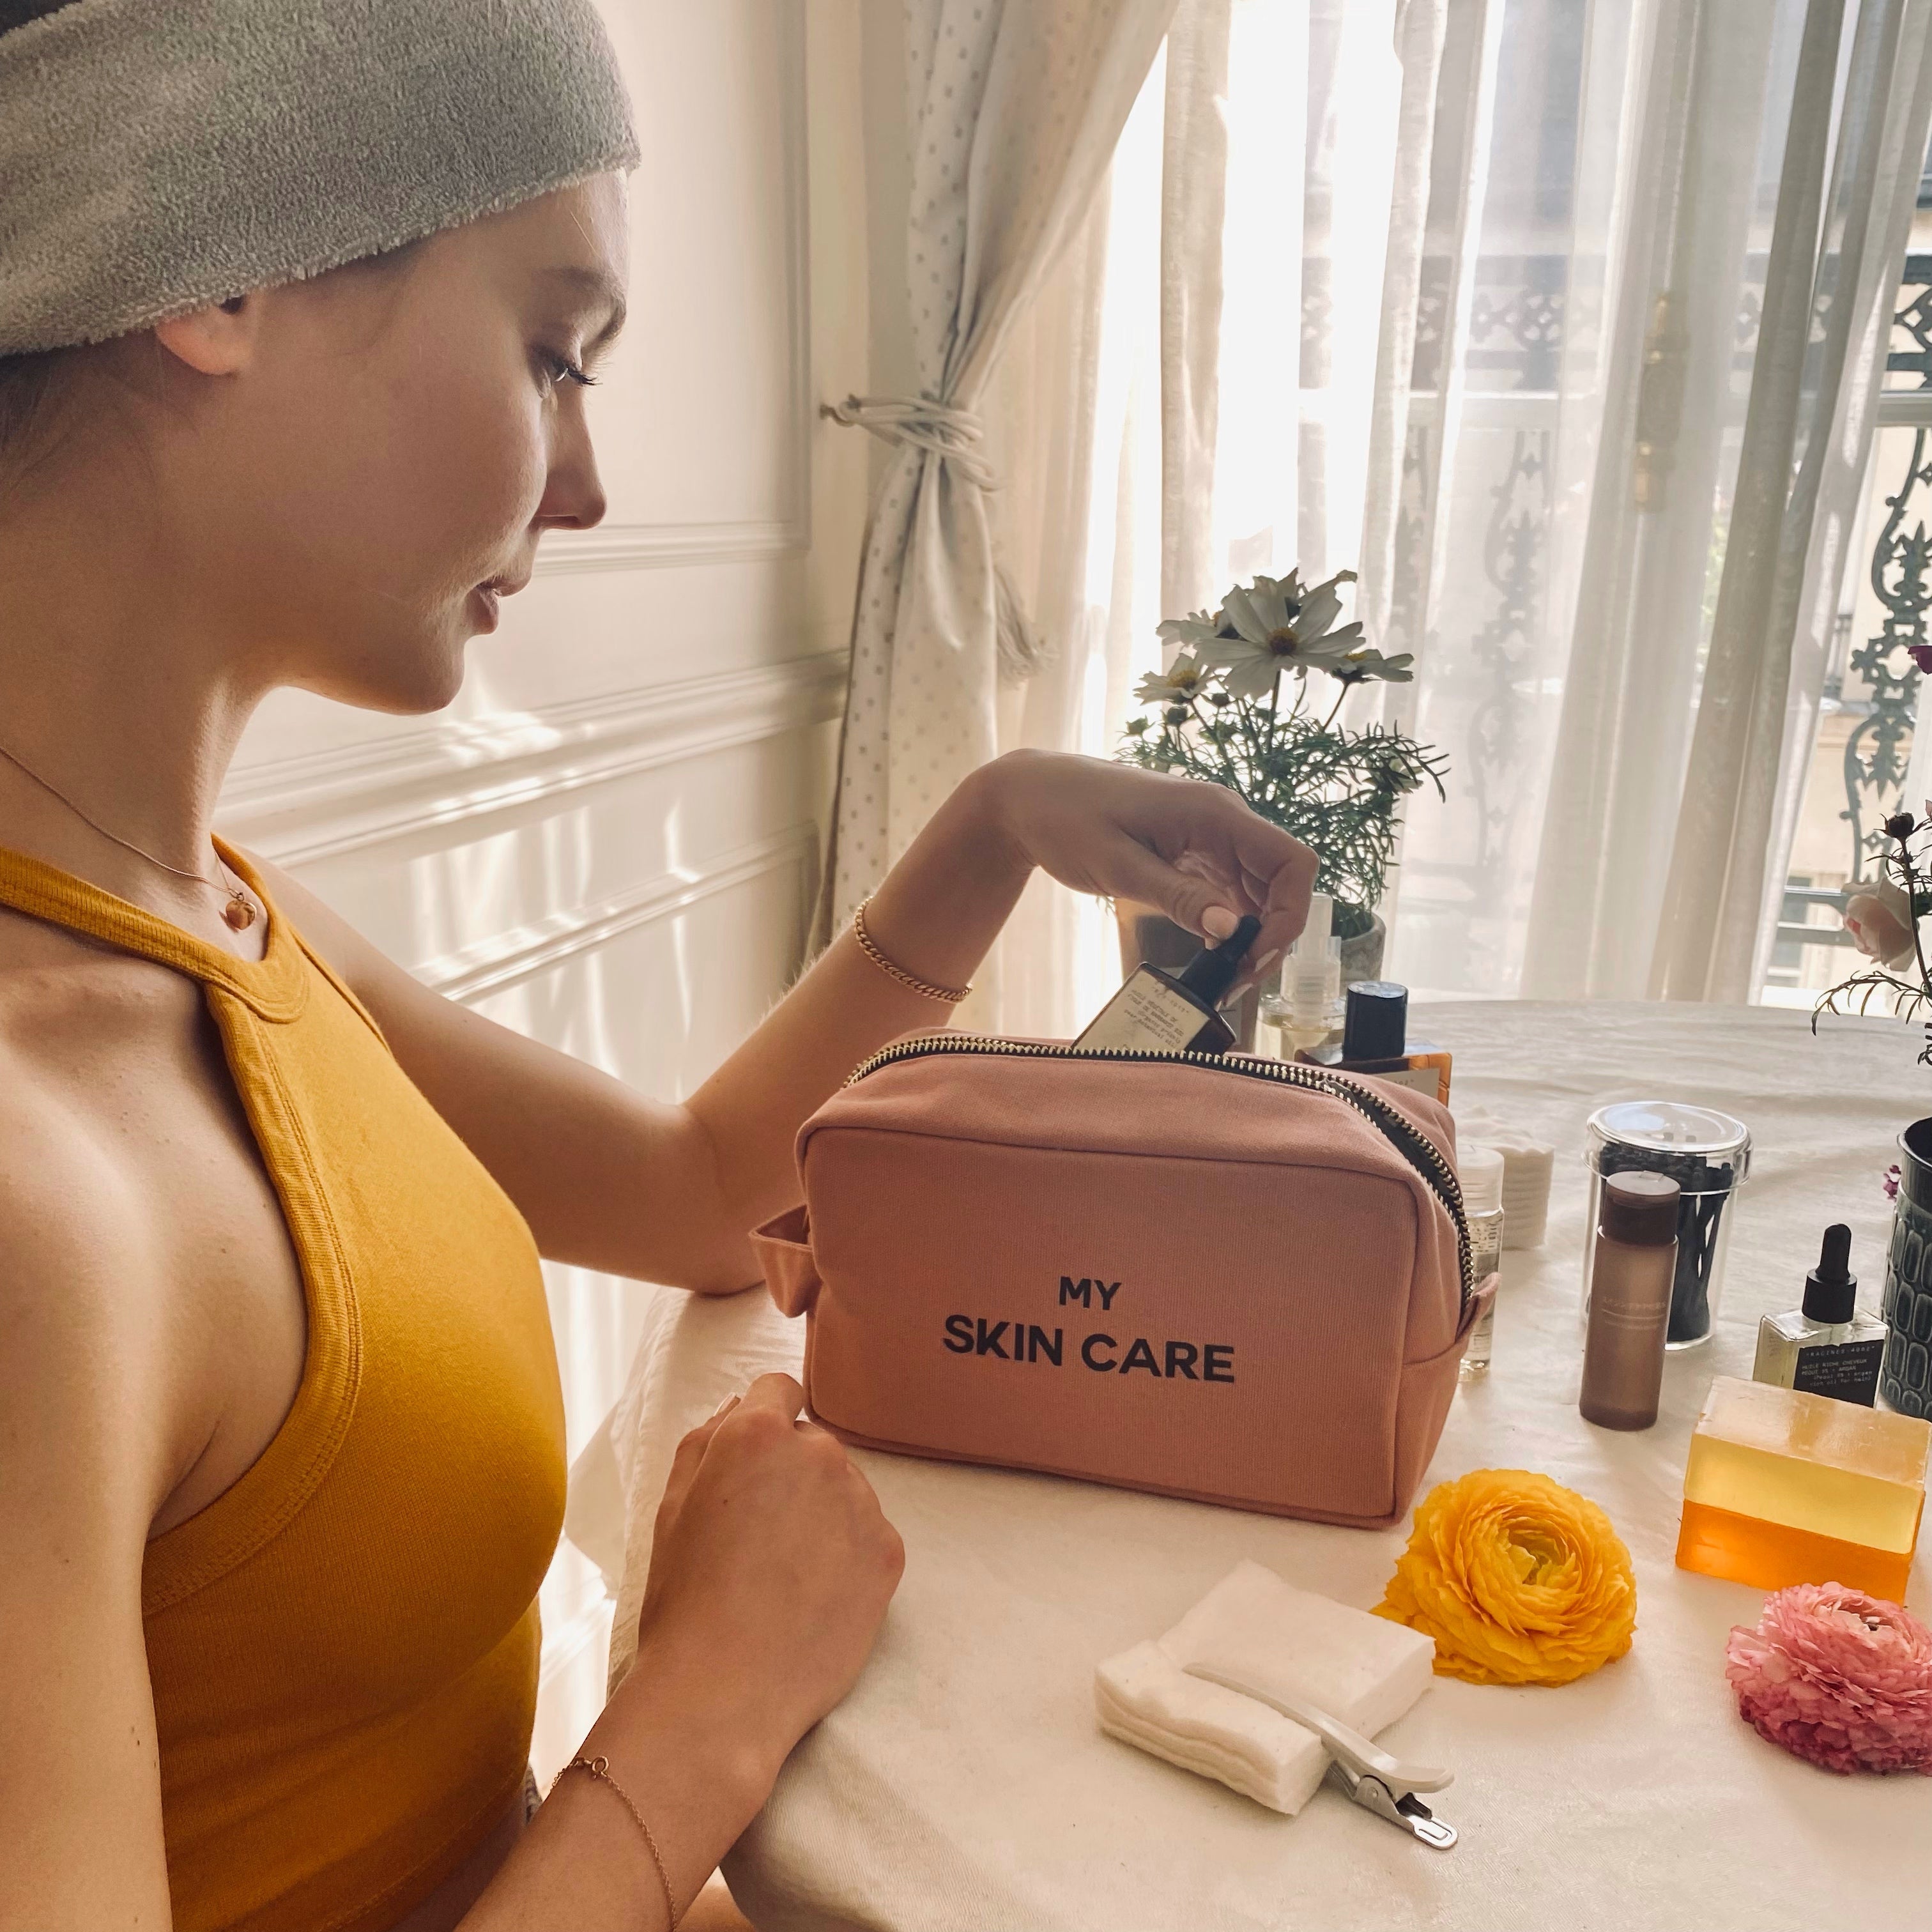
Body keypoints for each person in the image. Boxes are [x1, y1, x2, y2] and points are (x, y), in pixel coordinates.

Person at [0, 4, 1314, 1929]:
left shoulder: (219, 918)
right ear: (222, 270)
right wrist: (698, 1715)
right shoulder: (38, 1190)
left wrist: (990, 829)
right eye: (550, 350)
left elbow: (705, 1198)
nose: (589, 480)